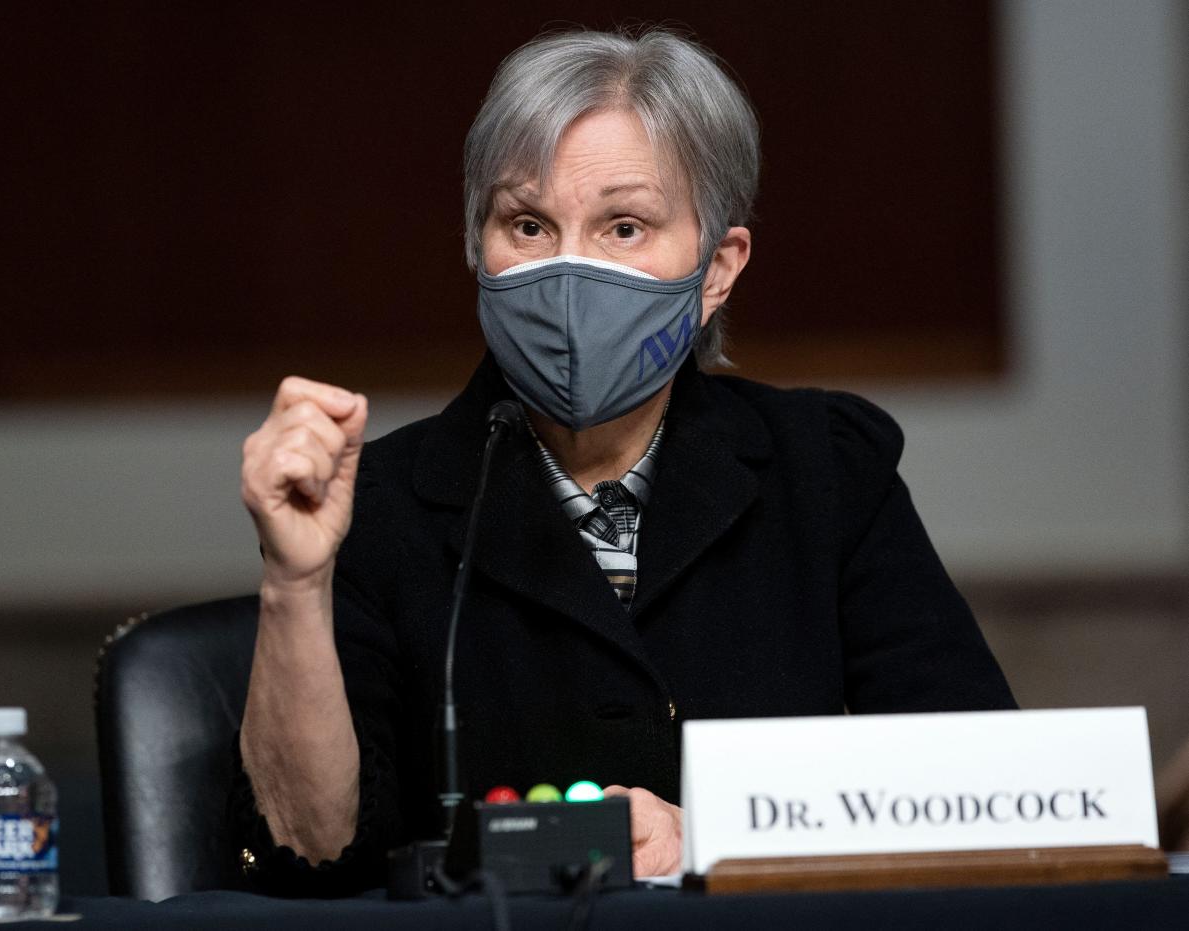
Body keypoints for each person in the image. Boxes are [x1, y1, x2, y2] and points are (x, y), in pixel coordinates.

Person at [231, 27, 1015, 896]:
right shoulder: (374, 500)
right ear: (475, 245)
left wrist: (718, 833)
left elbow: (978, 790)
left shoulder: (825, 470)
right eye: (527, 224)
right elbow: (311, 856)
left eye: (624, 226)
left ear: (717, 267)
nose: (568, 272)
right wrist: (292, 585)